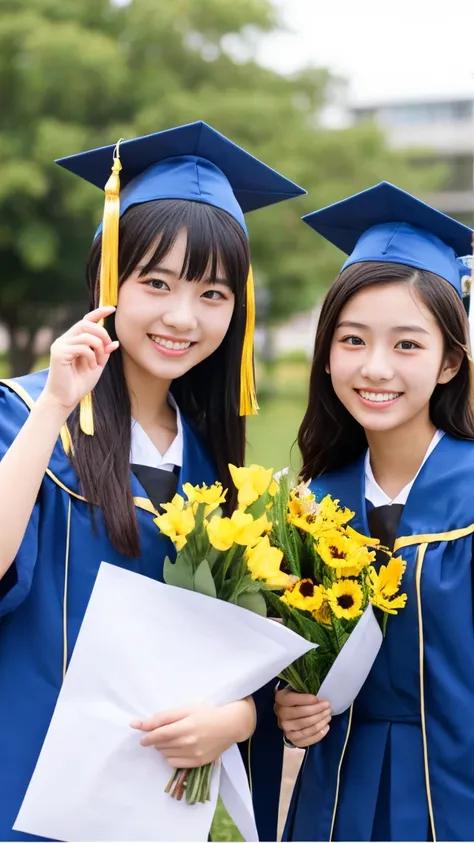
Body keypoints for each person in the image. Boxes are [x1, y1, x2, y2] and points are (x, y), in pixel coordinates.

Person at [0, 120, 305, 842]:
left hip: (151, 805)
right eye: (156, 282)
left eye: (212, 294)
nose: (181, 316)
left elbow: (234, 656)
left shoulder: (215, 469)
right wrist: (55, 407)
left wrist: (237, 717)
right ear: (108, 281)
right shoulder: (22, 413)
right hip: (23, 785)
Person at [275, 181, 474, 842]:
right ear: (327, 354)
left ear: (450, 361)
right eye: (353, 339)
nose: (376, 367)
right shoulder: (306, 508)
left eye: (408, 345)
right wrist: (289, 703)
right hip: (335, 807)